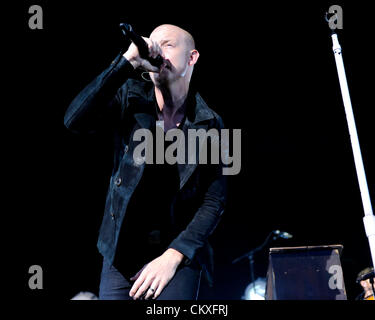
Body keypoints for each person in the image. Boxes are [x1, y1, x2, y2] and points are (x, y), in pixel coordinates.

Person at [64, 24, 227, 300]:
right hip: (121, 252)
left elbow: (215, 201)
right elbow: (74, 120)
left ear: (192, 57)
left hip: (176, 253)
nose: (157, 51)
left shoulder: (212, 124)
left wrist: (174, 256)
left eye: (168, 45)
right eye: (154, 44)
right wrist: (126, 61)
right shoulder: (130, 97)